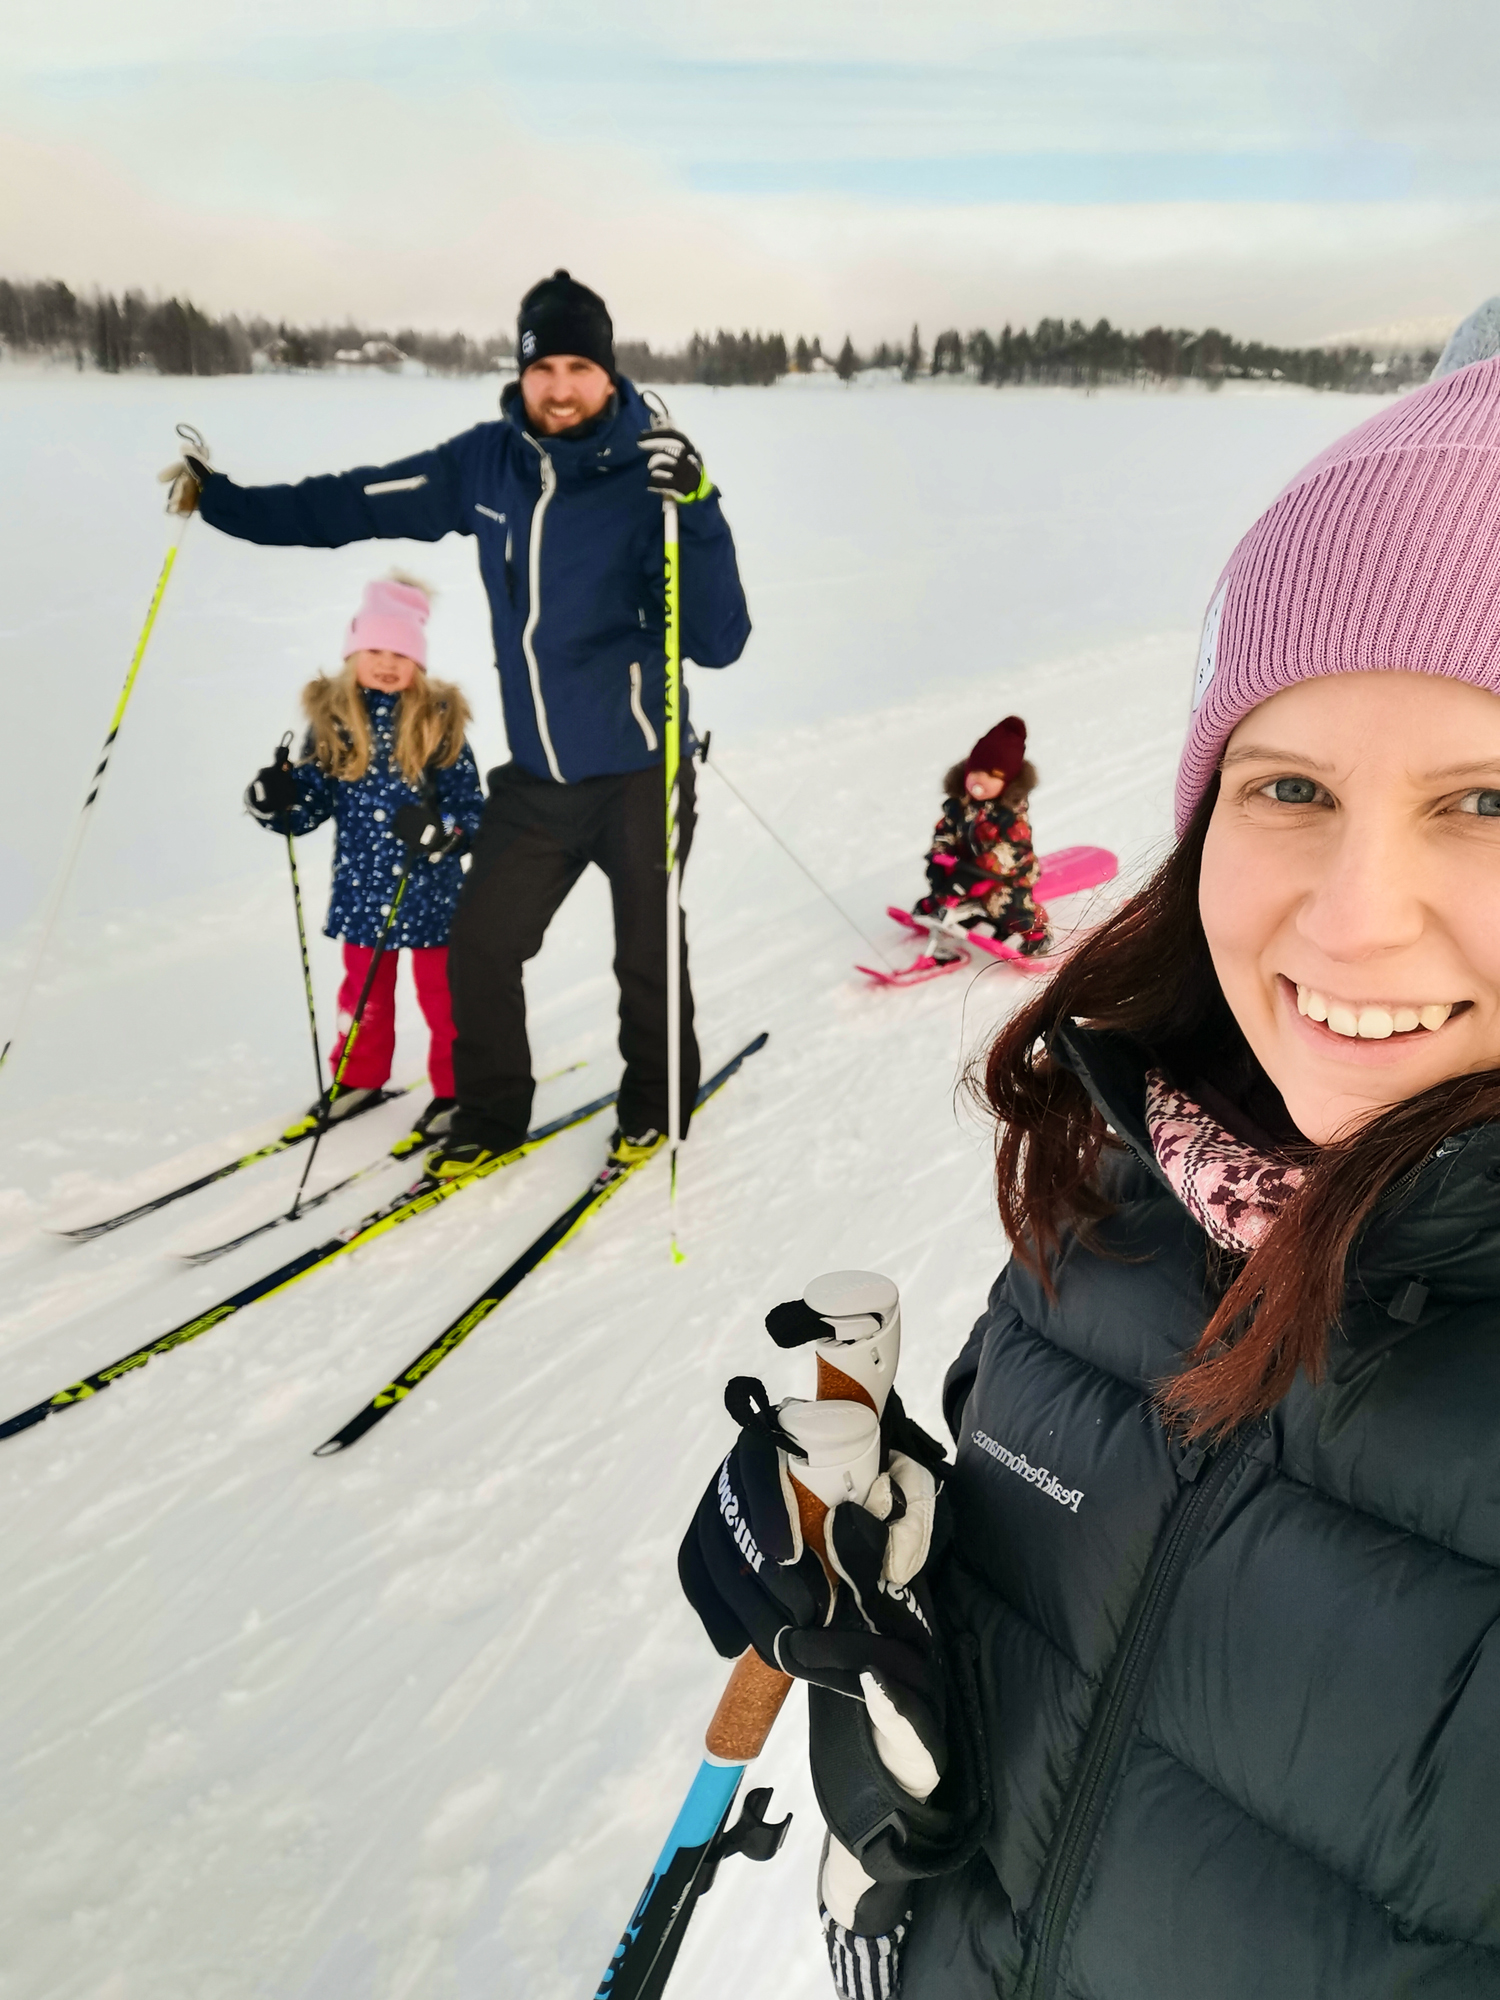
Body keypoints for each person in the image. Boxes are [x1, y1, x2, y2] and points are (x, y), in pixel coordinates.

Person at [678, 355, 1500, 1997]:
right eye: (1290, 788)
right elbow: (1014, 1773)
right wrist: (880, 1618)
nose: (1353, 920)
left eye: (1483, 800)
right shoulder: (1130, 1196)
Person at [163, 269, 750, 1180]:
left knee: (646, 952)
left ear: (610, 373)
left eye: (579, 368)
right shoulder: (486, 465)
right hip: (540, 780)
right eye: (543, 367)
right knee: (480, 944)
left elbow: (718, 641)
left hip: (641, 770)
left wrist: (700, 510)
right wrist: (227, 502)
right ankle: (489, 1115)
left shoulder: (654, 475)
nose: (560, 387)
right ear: (520, 374)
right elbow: (355, 501)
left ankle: (656, 1105)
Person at [245, 574, 484, 1150]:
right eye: (375, 650)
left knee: (444, 996)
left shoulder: (438, 720)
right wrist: (277, 800)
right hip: (361, 888)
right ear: (353, 654)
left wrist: (443, 834)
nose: (386, 664)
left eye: (400, 654)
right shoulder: (333, 722)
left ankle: (458, 1088)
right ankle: (358, 1077)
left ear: (417, 662)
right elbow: (309, 807)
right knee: (363, 995)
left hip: (431, 893)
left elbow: (471, 810)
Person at [912, 715, 1049, 961]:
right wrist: (939, 857)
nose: (980, 780)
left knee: (1005, 907)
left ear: (1007, 783)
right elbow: (945, 831)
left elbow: (1010, 851)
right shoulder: (960, 806)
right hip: (964, 870)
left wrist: (974, 873)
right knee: (946, 890)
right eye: (975, 770)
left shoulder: (1011, 817)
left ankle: (1037, 934)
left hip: (1006, 876)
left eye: (993, 774)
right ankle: (959, 911)